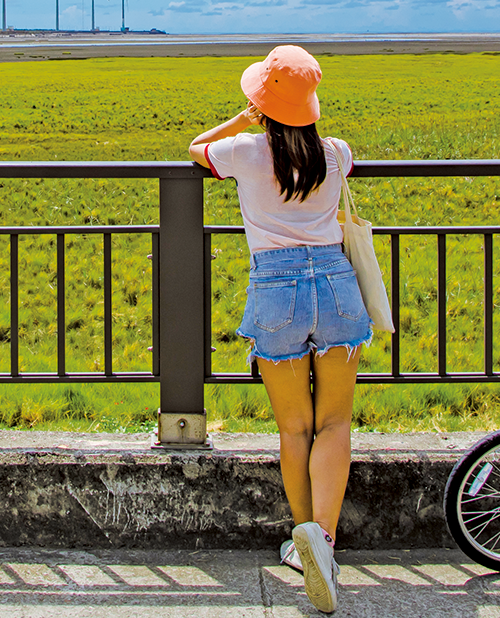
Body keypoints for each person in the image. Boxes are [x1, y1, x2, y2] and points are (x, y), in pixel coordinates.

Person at [191, 45, 366, 615]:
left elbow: (195, 150)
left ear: (263, 103)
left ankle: (302, 537)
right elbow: (324, 153)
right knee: (334, 422)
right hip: (337, 285)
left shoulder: (243, 151)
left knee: (295, 428)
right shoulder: (336, 154)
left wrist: (244, 117)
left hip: (277, 289)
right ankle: (327, 542)